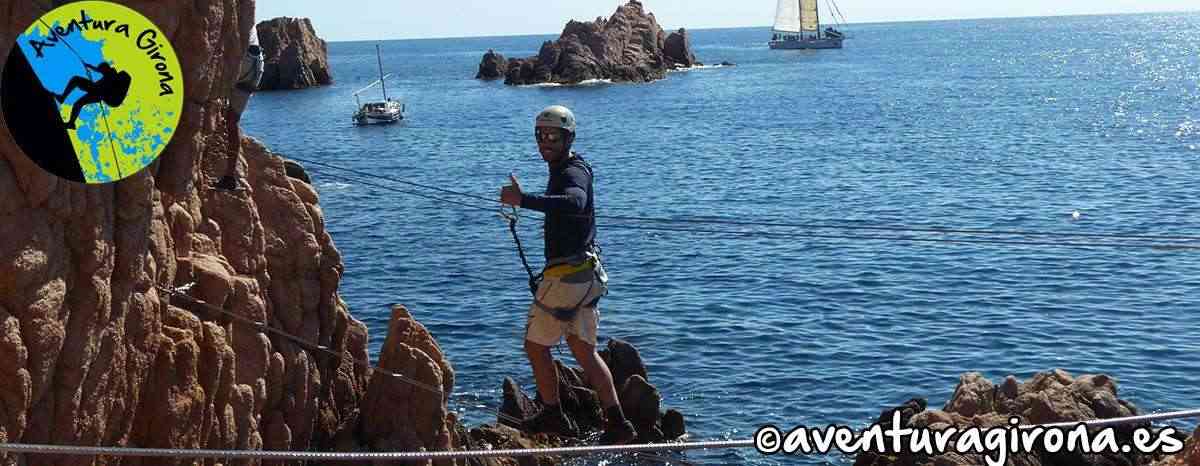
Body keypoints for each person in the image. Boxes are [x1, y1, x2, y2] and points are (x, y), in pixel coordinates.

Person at [499, 105, 637, 445]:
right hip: (587, 275)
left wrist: (522, 200)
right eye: (540, 136)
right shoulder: (570, 167)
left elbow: (574, 202)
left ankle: (553, 413)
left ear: (568, 138)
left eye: (552, 136)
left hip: (566, 278)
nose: (545, 141)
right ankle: (617, 422)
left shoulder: (571, 173)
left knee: (535, 347)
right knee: (582, 348)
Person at [213, 32, 264, 191]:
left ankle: (228, 176)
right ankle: (229, 177)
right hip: (257, 64)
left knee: (208, 98)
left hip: (244, 59)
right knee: (232, 120)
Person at [56, 61, 131, 130]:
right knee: (78, 103)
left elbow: (101, 73)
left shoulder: (111, 73)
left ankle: (63, 99)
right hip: (99, 94)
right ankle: (71, 123)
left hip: (99, 93)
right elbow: (101, 75)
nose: (101, 72)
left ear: (105, 69)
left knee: (76, 80)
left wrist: (90, 67)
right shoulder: (109, 76)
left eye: (102, 71)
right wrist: (90, 67)